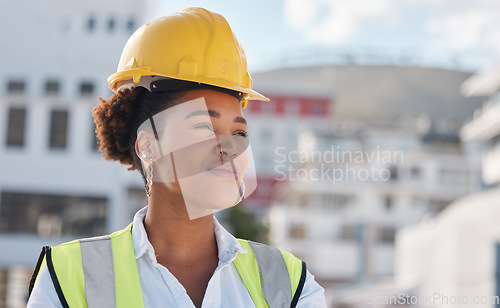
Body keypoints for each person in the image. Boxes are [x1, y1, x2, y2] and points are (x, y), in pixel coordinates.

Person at [27, 7, 327, 308]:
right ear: (148, 146)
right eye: (202, 126)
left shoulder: (290, 283)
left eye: (238, 133)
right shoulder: (68, 277)